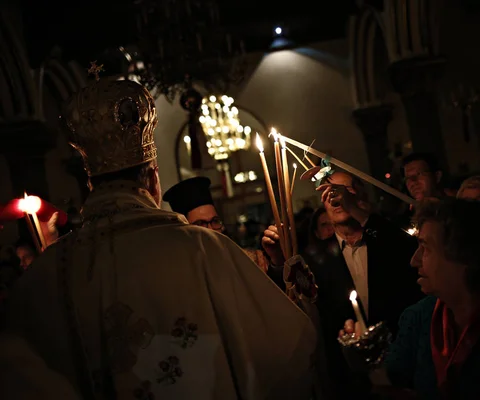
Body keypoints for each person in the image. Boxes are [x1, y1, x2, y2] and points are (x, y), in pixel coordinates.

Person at [7, 79, 315, 399]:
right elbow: (291, 353)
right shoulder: (204, 250)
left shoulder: (46, 275)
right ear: (154, 177)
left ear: (89, 182)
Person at [342, 199, 480, 399]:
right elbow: (389, 379)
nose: (414, 260)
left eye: (426, 248)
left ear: (464, 256)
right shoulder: (418, 318)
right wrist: (364, 354)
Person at [263, 170, 422, 398]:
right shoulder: (315, 258)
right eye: (327, 192)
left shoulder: (387, 241)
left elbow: (407, 248)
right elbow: (294, 304)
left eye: (343, 190)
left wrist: (359, 212)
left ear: (360, 196)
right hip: (348, 384)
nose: (334, 196)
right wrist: (279, 261)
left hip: (404, 369)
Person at [163, 176, 270, 272]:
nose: (211, 230)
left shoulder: (247, 260)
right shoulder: (179, 273)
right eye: (200, 224)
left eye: (214, 221)